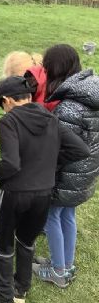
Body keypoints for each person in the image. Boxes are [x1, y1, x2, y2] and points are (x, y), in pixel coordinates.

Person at [0, 76, 89, 303]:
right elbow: (81, 150)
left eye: (2, 105)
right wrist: (50, 164)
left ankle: (3, 296)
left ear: (7, 100)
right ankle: (20, 290)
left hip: (14, 193)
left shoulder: (9, 121)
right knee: (26, 240)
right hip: (43, 194)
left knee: (4, 244)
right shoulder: (51, 119)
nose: (3, 109)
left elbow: (11, 164)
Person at [33, 44, 99, 288]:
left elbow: (59, 149)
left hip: (68, 174)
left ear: (56, 69)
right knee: (67, 214)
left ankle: (58, 271)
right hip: (85, 172)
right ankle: (65, 264)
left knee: (52, 215)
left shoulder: (69, 106)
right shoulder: (90, 93)